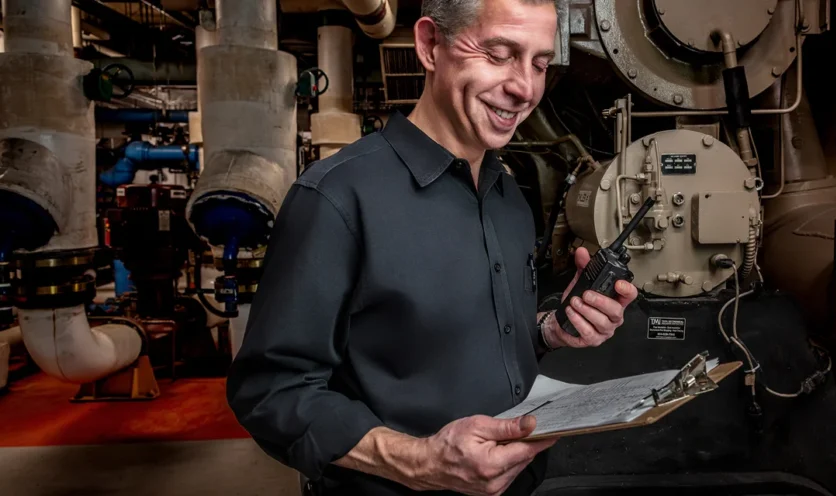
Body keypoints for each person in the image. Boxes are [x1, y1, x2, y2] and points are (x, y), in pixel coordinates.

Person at [225, 0, 638, 494]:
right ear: (429, 45)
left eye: (540, 63)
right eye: (499, 53)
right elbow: (269, 391)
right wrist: (419, 460)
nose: (525, 87)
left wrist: (551, 330)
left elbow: (464, 344)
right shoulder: (335, 198)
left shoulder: (509, 198)